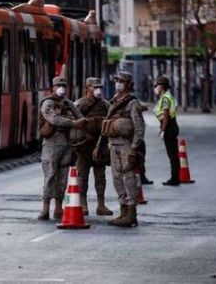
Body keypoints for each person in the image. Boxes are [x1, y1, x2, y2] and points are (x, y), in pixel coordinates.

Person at [38, 76, 86, 220]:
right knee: (50, 176)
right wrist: (74, 124)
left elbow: (81, 118)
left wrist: (82, 124)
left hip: (67, 144)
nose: (62, 88)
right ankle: (45, 208)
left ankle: (58, 208)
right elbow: (53, 119)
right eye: (59, 85)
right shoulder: (48, 103)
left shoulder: (69, 104)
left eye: (64, 85)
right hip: (51, 145)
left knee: (63, 178)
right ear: (52, 87)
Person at [101, 71, 145, 228]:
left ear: (128, 84)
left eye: (122, 81)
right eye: (117, 80)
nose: (118, 83)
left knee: (128, 177)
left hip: (126, 144)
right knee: (117, 178)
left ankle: (131, 213)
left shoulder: (132, 102)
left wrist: (134, 147)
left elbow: (139, 126)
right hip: (113, 143)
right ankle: (123, 211)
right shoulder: (114, 100)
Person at [73, 77, 113, 216]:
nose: (98, 90)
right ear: (87, 88)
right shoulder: (79, 104)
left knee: (100, 177)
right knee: (82, 177)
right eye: (94, 87)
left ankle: (101, 205)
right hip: (84, 146)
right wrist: (83, 135)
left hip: (100, 145)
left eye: (100, 87)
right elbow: (74, 124)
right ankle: (83, 204)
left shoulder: (106, 105)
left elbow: (110, 121)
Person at [154, 76, 181, 186]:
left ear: (161, 86)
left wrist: (163, 130)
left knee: (172, 155)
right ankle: (175, 177)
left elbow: (166, 115)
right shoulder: (167, 96)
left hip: (169, 127)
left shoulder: (165, 98)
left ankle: (174, 178)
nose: (156, 88)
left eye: (157, 86)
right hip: (172, 126)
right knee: (174, 154)